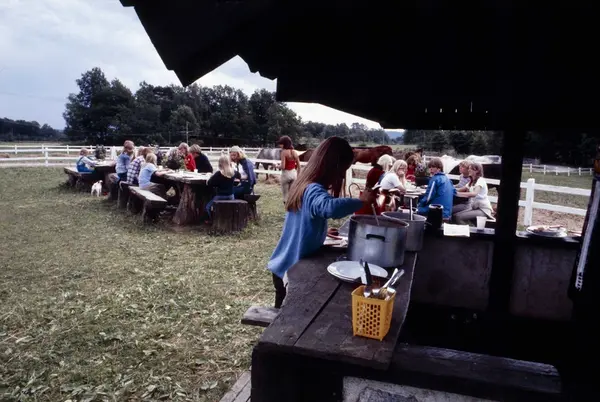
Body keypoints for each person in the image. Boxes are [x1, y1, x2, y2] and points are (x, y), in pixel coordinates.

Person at [267, 137, 377, 308]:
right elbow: (328, 207)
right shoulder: (313, 189)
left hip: (285, 266)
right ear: (332, 167)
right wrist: (361, 201)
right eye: (341, 171)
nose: (341, 176)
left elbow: (303, 222)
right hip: (290, 270)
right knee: (285, 317)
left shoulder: (304, 185)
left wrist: (320, 232)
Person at [204, 155, 241, 221]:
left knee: (207, 207)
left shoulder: (218, 173)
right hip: (231, 195)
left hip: (220, 196)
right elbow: (239, 177)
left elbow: (210, 183)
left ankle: (210, 220)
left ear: (220, 163)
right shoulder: (234, 172)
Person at [277, 136, 301, 204]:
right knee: (292, 194)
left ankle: (286, 207)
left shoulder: (284, 152)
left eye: (281, 144)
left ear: (284, 144)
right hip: (294, 174)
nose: (280, 145)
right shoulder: (294, 152)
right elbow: (299, 166)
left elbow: (283, 166)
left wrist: (276, 166)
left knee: (285, 195)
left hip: (286, 174)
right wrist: (298, 175)